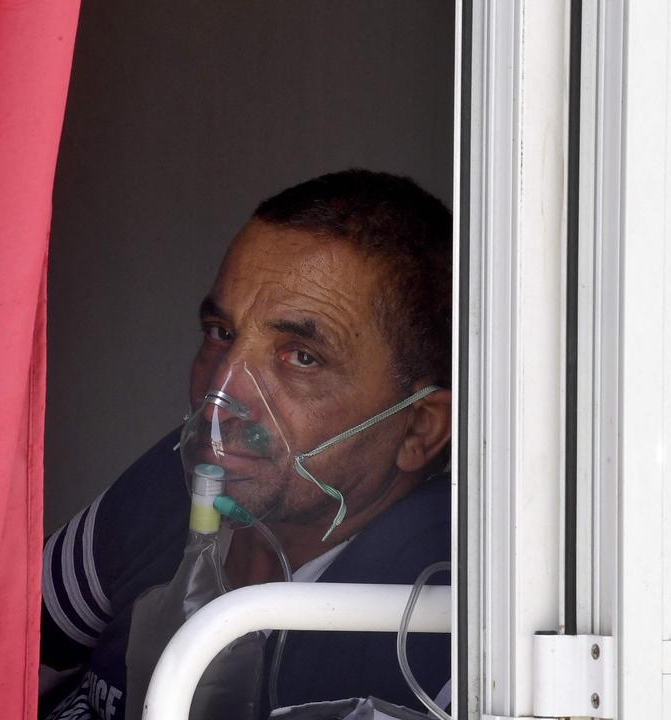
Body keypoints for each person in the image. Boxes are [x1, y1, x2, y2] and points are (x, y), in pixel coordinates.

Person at [40, 169, 453, 720]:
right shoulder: (178, 483)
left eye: (301, 357)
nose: (219, 398)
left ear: (418, 429)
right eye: (221, 333)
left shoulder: (443, 624)